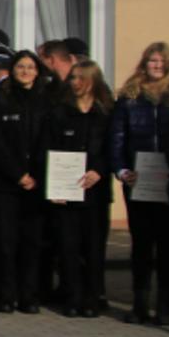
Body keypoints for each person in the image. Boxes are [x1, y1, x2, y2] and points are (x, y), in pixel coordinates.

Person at [109, 42, 169, 326]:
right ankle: (139, 304)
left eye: (161, 62)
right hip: (138, 182)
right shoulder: (129, 98)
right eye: (152, 61)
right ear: (144, 64)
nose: (156, 66)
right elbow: (117, 139)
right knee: (141, 244)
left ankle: (164, 306)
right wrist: (121, 170)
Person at [44, 60, 112, 319]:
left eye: (81, 78)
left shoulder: (105, 113)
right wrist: (55, 187)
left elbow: (112, 148)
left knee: (93, 248)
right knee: (68, 247)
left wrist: (100, 170)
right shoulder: (60, 112)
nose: (75, 83)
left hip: (95, 192)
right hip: (67, 191)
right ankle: (72, 297)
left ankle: (91, 298)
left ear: (93, 81)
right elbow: (50, 149)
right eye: (72, 78)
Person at [0, 49, 48, 314]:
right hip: (7, 182)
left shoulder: (46, 102)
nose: (25, 71)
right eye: (20, 66)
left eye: (30, 67)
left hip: (37, 182)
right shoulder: (0, 100)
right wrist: (18, 174)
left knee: (32, 242)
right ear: (12, 69)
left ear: (37, 71)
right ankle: (6, 295)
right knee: (6, 242)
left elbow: (49, 141)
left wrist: (35, 175)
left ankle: (29, 296)